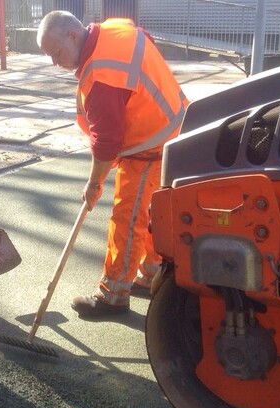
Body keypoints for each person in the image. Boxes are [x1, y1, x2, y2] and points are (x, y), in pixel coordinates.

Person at [37, 11, 188, 318]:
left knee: (127, 217)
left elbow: (107, 142)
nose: (56, 62)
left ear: (73, 36)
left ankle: (113, 295)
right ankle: (151, 272)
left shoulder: (101, 75)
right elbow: (145, 37)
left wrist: (93, 185)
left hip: (150, 146)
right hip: (176, 129)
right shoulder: (115, 30)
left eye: (56, 53)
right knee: (152, 212)